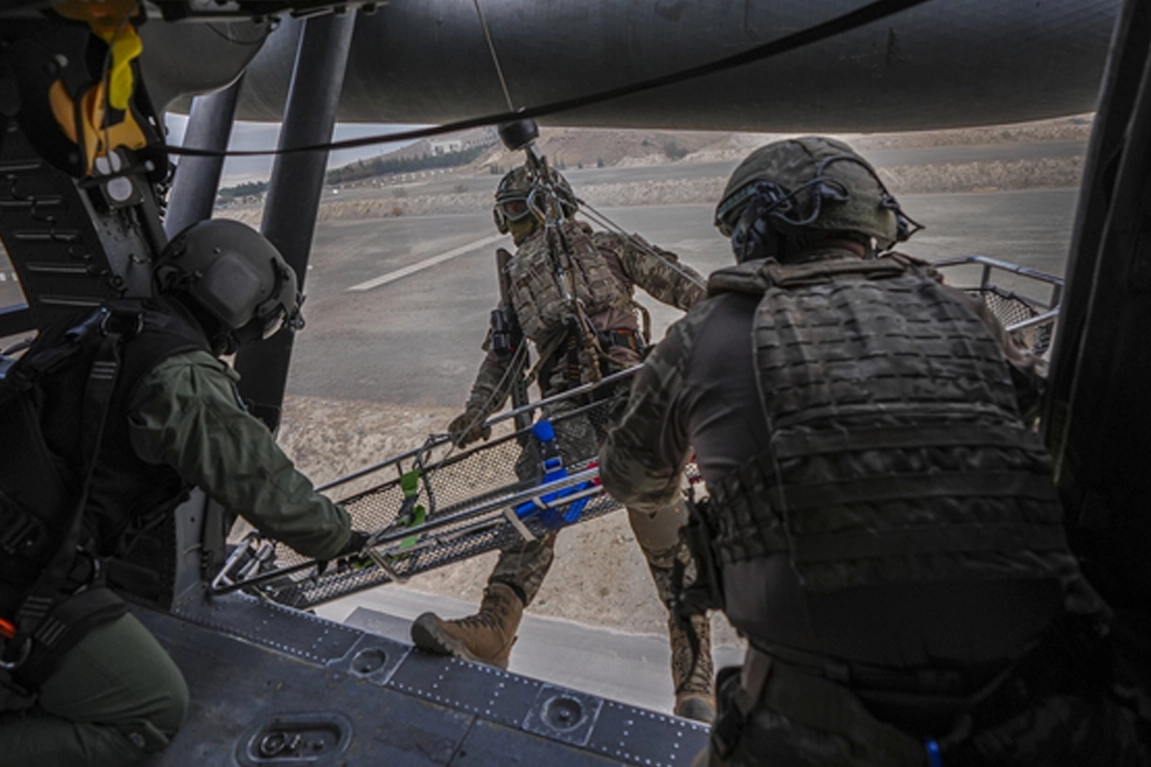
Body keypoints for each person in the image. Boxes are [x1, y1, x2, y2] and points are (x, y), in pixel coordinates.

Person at [598, 137, 1148, 766]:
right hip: (1040, 705)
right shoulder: (961, 312)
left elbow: (631, 478)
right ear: (873, 224)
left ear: (752, 235)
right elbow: (1025, 414)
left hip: (814, 723)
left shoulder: (704, 336)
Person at [0, 219, 368, 766]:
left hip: (15, 539)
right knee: (152, 712)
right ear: (237, 296)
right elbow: (263, 484)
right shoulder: (179, 373)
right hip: (25, 574)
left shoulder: (94, 324)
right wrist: (339, 537)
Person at [409, 164, 717, 721]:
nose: (512, 225)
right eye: (507, 214)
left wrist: (726, 321)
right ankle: (495, 626)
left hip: (630, 390)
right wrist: (476, 413)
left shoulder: (609, 249)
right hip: (568, 407)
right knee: (534, 507)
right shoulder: (516, 285)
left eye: (516, 210)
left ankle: (695, 676)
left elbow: (683, 285)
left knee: (665, 523)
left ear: (546, 206)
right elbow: (503, 357)